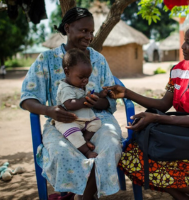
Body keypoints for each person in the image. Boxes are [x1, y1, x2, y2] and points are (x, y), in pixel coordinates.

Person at [104, 20, 189, 200]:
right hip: (185, 132)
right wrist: (127, 93)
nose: (183, 46)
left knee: (158, 158)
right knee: (132, 155)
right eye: (184, 40)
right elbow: (163, 104)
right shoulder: (179, 70)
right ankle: (183, 197)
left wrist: (155, 118)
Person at [20, 7, 122, 200]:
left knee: (110, 144)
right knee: (59, 151)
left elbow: (110, 99)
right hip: (62, 121)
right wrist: (50, 110)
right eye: (84, 31)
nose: (89, 36)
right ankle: (81, 193)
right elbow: (27, 97)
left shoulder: (98, 60)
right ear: (67, 28)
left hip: (98, 120)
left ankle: (83, 197)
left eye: (91, 32)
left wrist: (97, 101)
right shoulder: (47, 59)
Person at [54, 48, 108, 159]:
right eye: (81, 77)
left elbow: (88, 94)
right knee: (73, 133)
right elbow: (69, 104)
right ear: (67, 72)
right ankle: (86, 152)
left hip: (83, 120)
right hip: (68, 120)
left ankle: (86, 139)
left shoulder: (79, 84)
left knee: (96, 123)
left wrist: (100, 94)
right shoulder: (65, 88)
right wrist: (85, 101)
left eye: (87, 77)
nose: (85, 81)